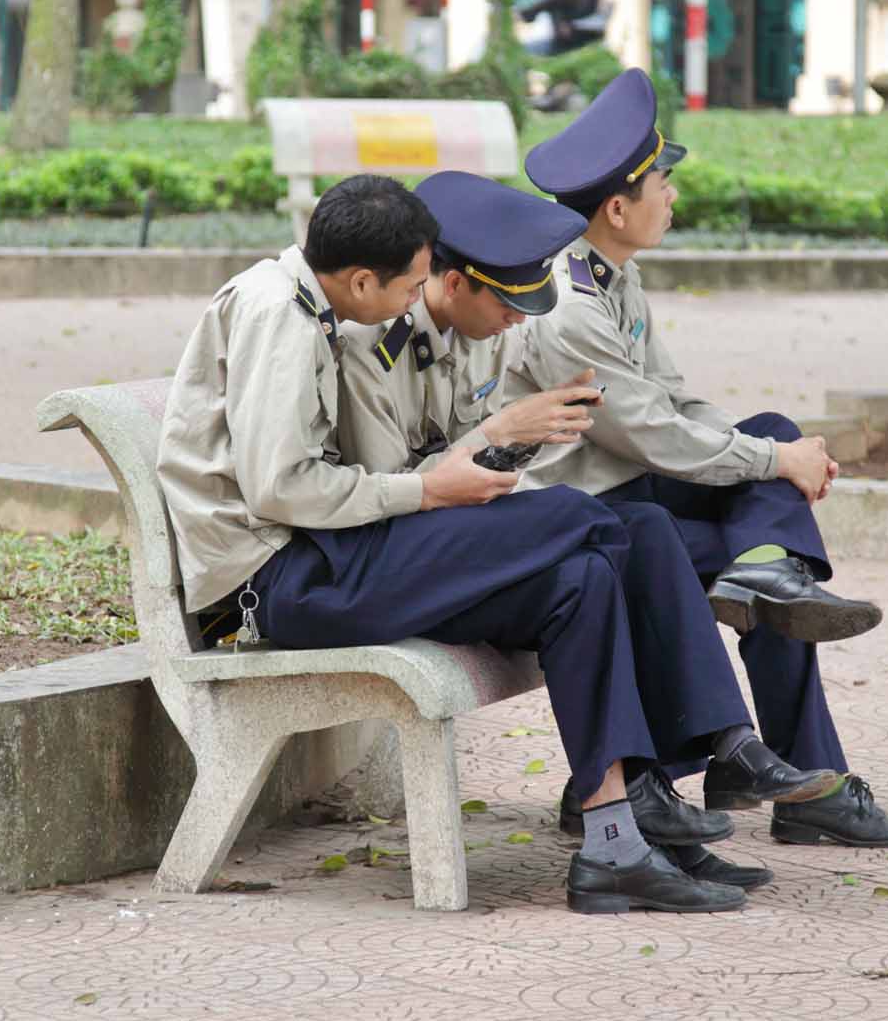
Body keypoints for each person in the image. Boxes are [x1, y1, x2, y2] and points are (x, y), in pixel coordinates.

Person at [157, 172, 820, 914]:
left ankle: (616, 838)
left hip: (334, 557)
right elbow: (285, 489)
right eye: (411, 285)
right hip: (276, 584)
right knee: (606, 524)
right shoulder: (283, 316)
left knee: (587, 579)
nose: (415, 299)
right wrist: (439, 485)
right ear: (367, 277)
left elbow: (397, 475)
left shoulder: (315, 306)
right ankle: (710, 749)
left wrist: (495, 448)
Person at [337, 170, 841, 890]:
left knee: (644, 535)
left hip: (480, 523)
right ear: (454, 285)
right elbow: (408, 492)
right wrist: (502, 433)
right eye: (508, 302)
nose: (519, 320)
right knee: (622, 535)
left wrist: (515, 438)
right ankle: (664, 778)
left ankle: (696, 765)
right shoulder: (381, 348)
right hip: (413, 549)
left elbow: (663, 405)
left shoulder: (478, 334)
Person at [503, 68, 888, 849]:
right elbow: (656, 435)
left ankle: (769, 571)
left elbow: (677, 401)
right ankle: (801, 766)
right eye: (663, 182)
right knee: (767, 550)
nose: (673, 194)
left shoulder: (613, 274)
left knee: (771, 508)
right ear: (617, 208)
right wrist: (776, 465)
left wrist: (772, 447)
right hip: (591, 518)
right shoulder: (570, 308)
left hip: (636, 491)